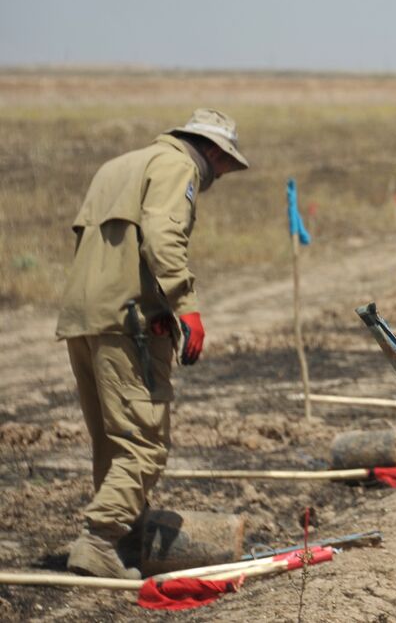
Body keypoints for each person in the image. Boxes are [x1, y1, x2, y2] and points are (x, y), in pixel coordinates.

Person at [59, 109, 249, 578]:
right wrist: (185, 306)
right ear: (212, 151)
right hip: (129, 324)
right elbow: (163, 238)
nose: (221, 175)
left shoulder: (119, 166)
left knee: (113, 441)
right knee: (145, 445)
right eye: (226, 164)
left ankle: (123, 542)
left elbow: (99, 250)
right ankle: (99, 539)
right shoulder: (178, 167)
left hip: (86, 319)